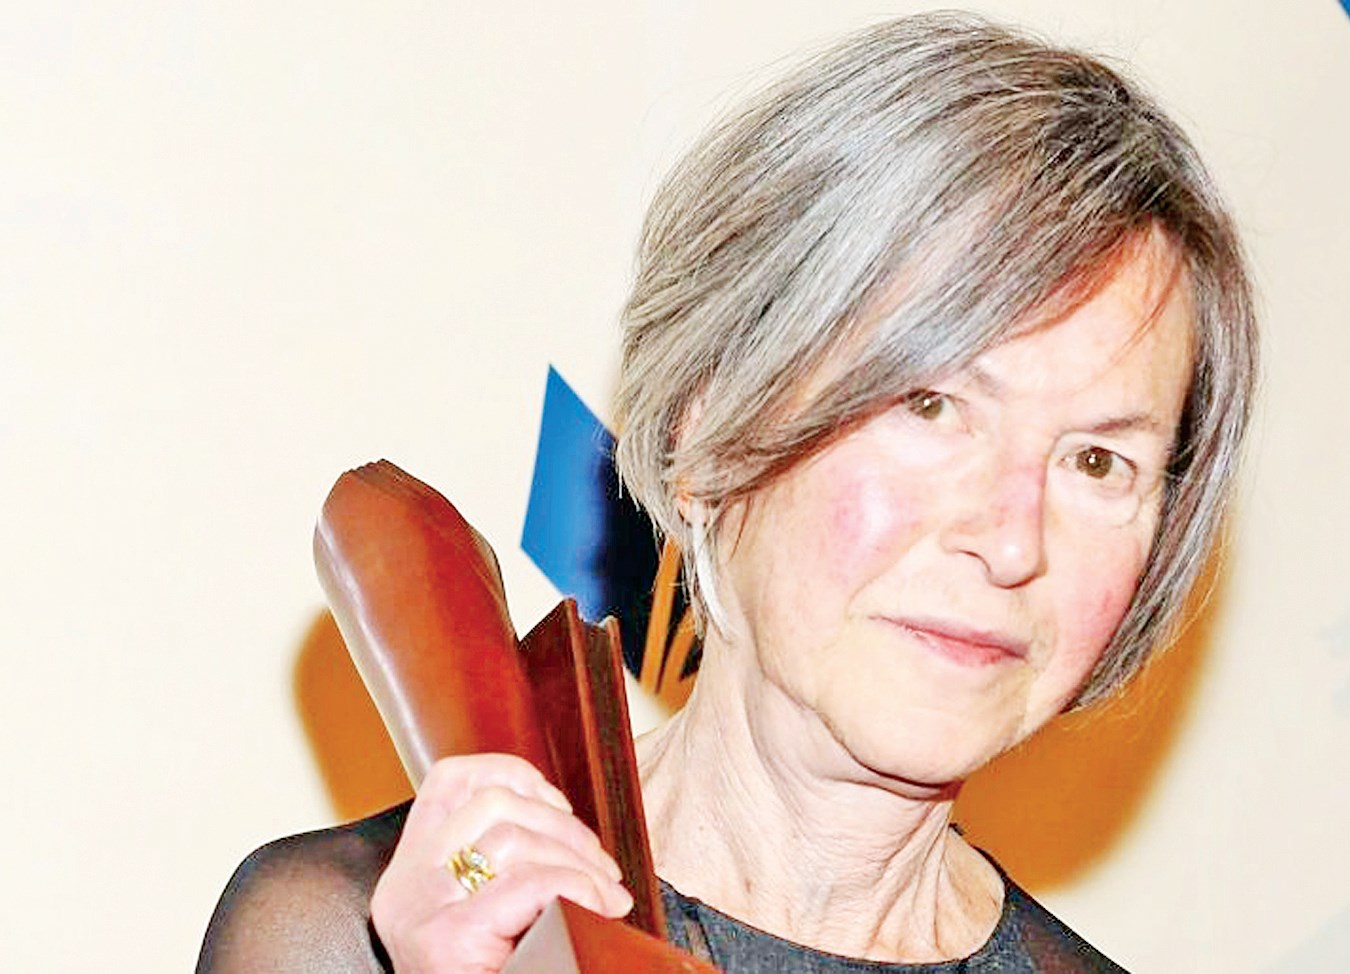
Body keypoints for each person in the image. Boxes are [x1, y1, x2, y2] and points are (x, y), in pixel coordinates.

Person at [198, 12, 1257, 973]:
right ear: (708, 430)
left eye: (1096, 462)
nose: (1014, 540)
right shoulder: (346, 932)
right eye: (930, 406)